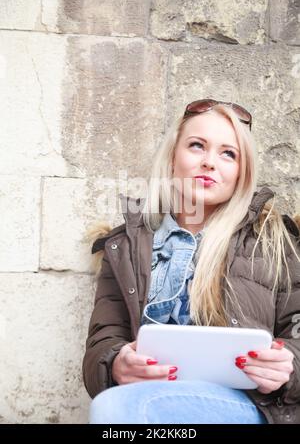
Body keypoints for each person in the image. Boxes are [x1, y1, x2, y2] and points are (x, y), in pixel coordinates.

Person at [82, 98, 300, 424]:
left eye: (229, 153)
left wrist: (288, 367)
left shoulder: (276, 243)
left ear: (243, 172)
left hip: (249, 407)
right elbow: (103, 341)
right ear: (172, 158)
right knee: (120, 406)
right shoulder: (124, 246)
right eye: (197, 146)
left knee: (117, 410)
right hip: (150, 396)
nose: (210, 162)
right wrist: (115, 363)